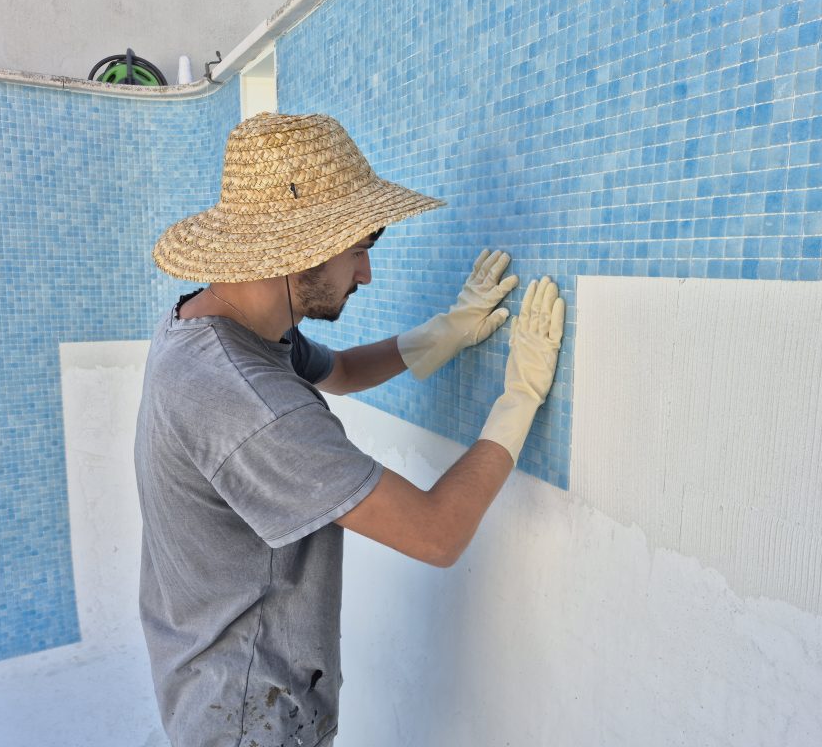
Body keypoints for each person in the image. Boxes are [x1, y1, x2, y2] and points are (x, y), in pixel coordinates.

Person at [135, 112, 564, 747]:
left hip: (217, 685)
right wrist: (520, 398)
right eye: (360, 249)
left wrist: (444, 330)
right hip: (252, 718)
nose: (366, 274)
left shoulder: (221, 322)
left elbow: (335, 371)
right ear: (298, 250)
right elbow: (437, 533)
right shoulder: (248, 402)